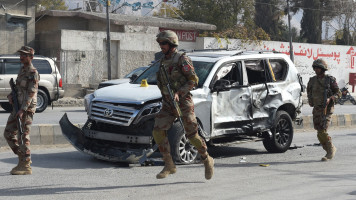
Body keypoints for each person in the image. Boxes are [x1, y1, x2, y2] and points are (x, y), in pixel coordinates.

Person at [153, 30, 214, 180]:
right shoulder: (162, 62)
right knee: (157, 131)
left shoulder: (182, 59)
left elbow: (193, 79)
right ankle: (169, 165)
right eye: (160, 43)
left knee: (192, 136)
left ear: (172, 43)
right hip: (168, 103)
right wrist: (166, 96)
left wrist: (179, 93)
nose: (161, 46)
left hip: (183, 102)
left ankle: (206, 159)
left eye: (164, 43)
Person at [3, 46, 39, 175]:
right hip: (17, 107)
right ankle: (22, 157)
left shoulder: (33, 72)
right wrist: (11, 96)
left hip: (26, 109)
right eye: (21, 54)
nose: (21, 57)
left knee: (23, 135)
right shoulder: (22, 70)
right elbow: (19, 88)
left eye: (24, 55)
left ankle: (26, 165)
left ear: (31, 57)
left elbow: (31, 93)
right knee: (8, 133)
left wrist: (23, 109)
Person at [307, 59, 341, 161]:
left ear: (323, 69)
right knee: (319, 132)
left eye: (318, 68)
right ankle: (327, 150)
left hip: (327, 108)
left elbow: (338, 93)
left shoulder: (329, 80)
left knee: (322, 130)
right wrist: (310, 100)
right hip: (316, 108)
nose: (316, 69)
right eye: (315, 68)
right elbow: (309, 91)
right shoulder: (312, 80)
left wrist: (330, 99)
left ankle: (331, 149)